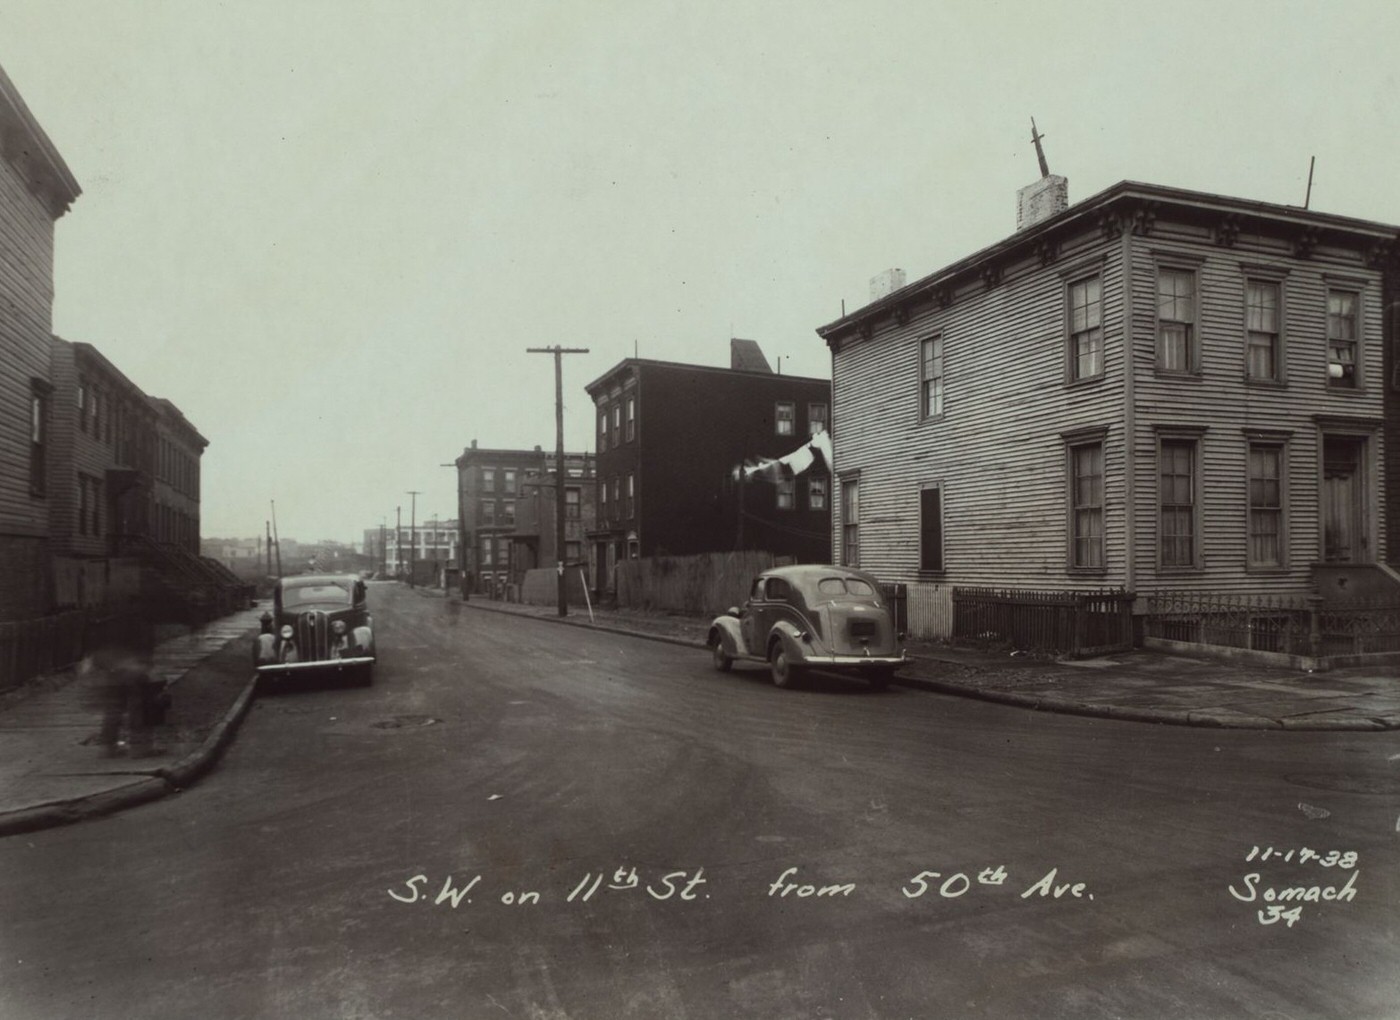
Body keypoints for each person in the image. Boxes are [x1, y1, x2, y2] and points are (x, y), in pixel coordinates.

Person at [87, 613, 161, 758]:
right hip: (133, 667)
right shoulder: (141, 621)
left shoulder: (106, 621)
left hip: (113, 667)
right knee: (139, 706)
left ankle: (109, 747)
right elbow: (146, 646)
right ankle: (140, 747)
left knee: (113, 708)